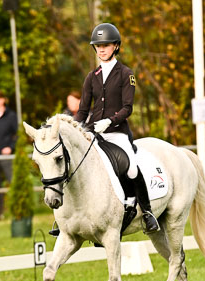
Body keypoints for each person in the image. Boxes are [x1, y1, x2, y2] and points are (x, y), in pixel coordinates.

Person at [49, 23, 159, 236]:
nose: (101, 49)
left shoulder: (126, 74)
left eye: (106, 45)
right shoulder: (91, 76)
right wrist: (75, 129)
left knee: (132, 168)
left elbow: (128, 107)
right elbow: (82, 110)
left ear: (116, 47)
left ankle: (147, 212)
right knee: (74, 163)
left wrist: (109, 121)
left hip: (117, 132)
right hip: (93, 133)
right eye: (98, 46)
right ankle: (65, 217)